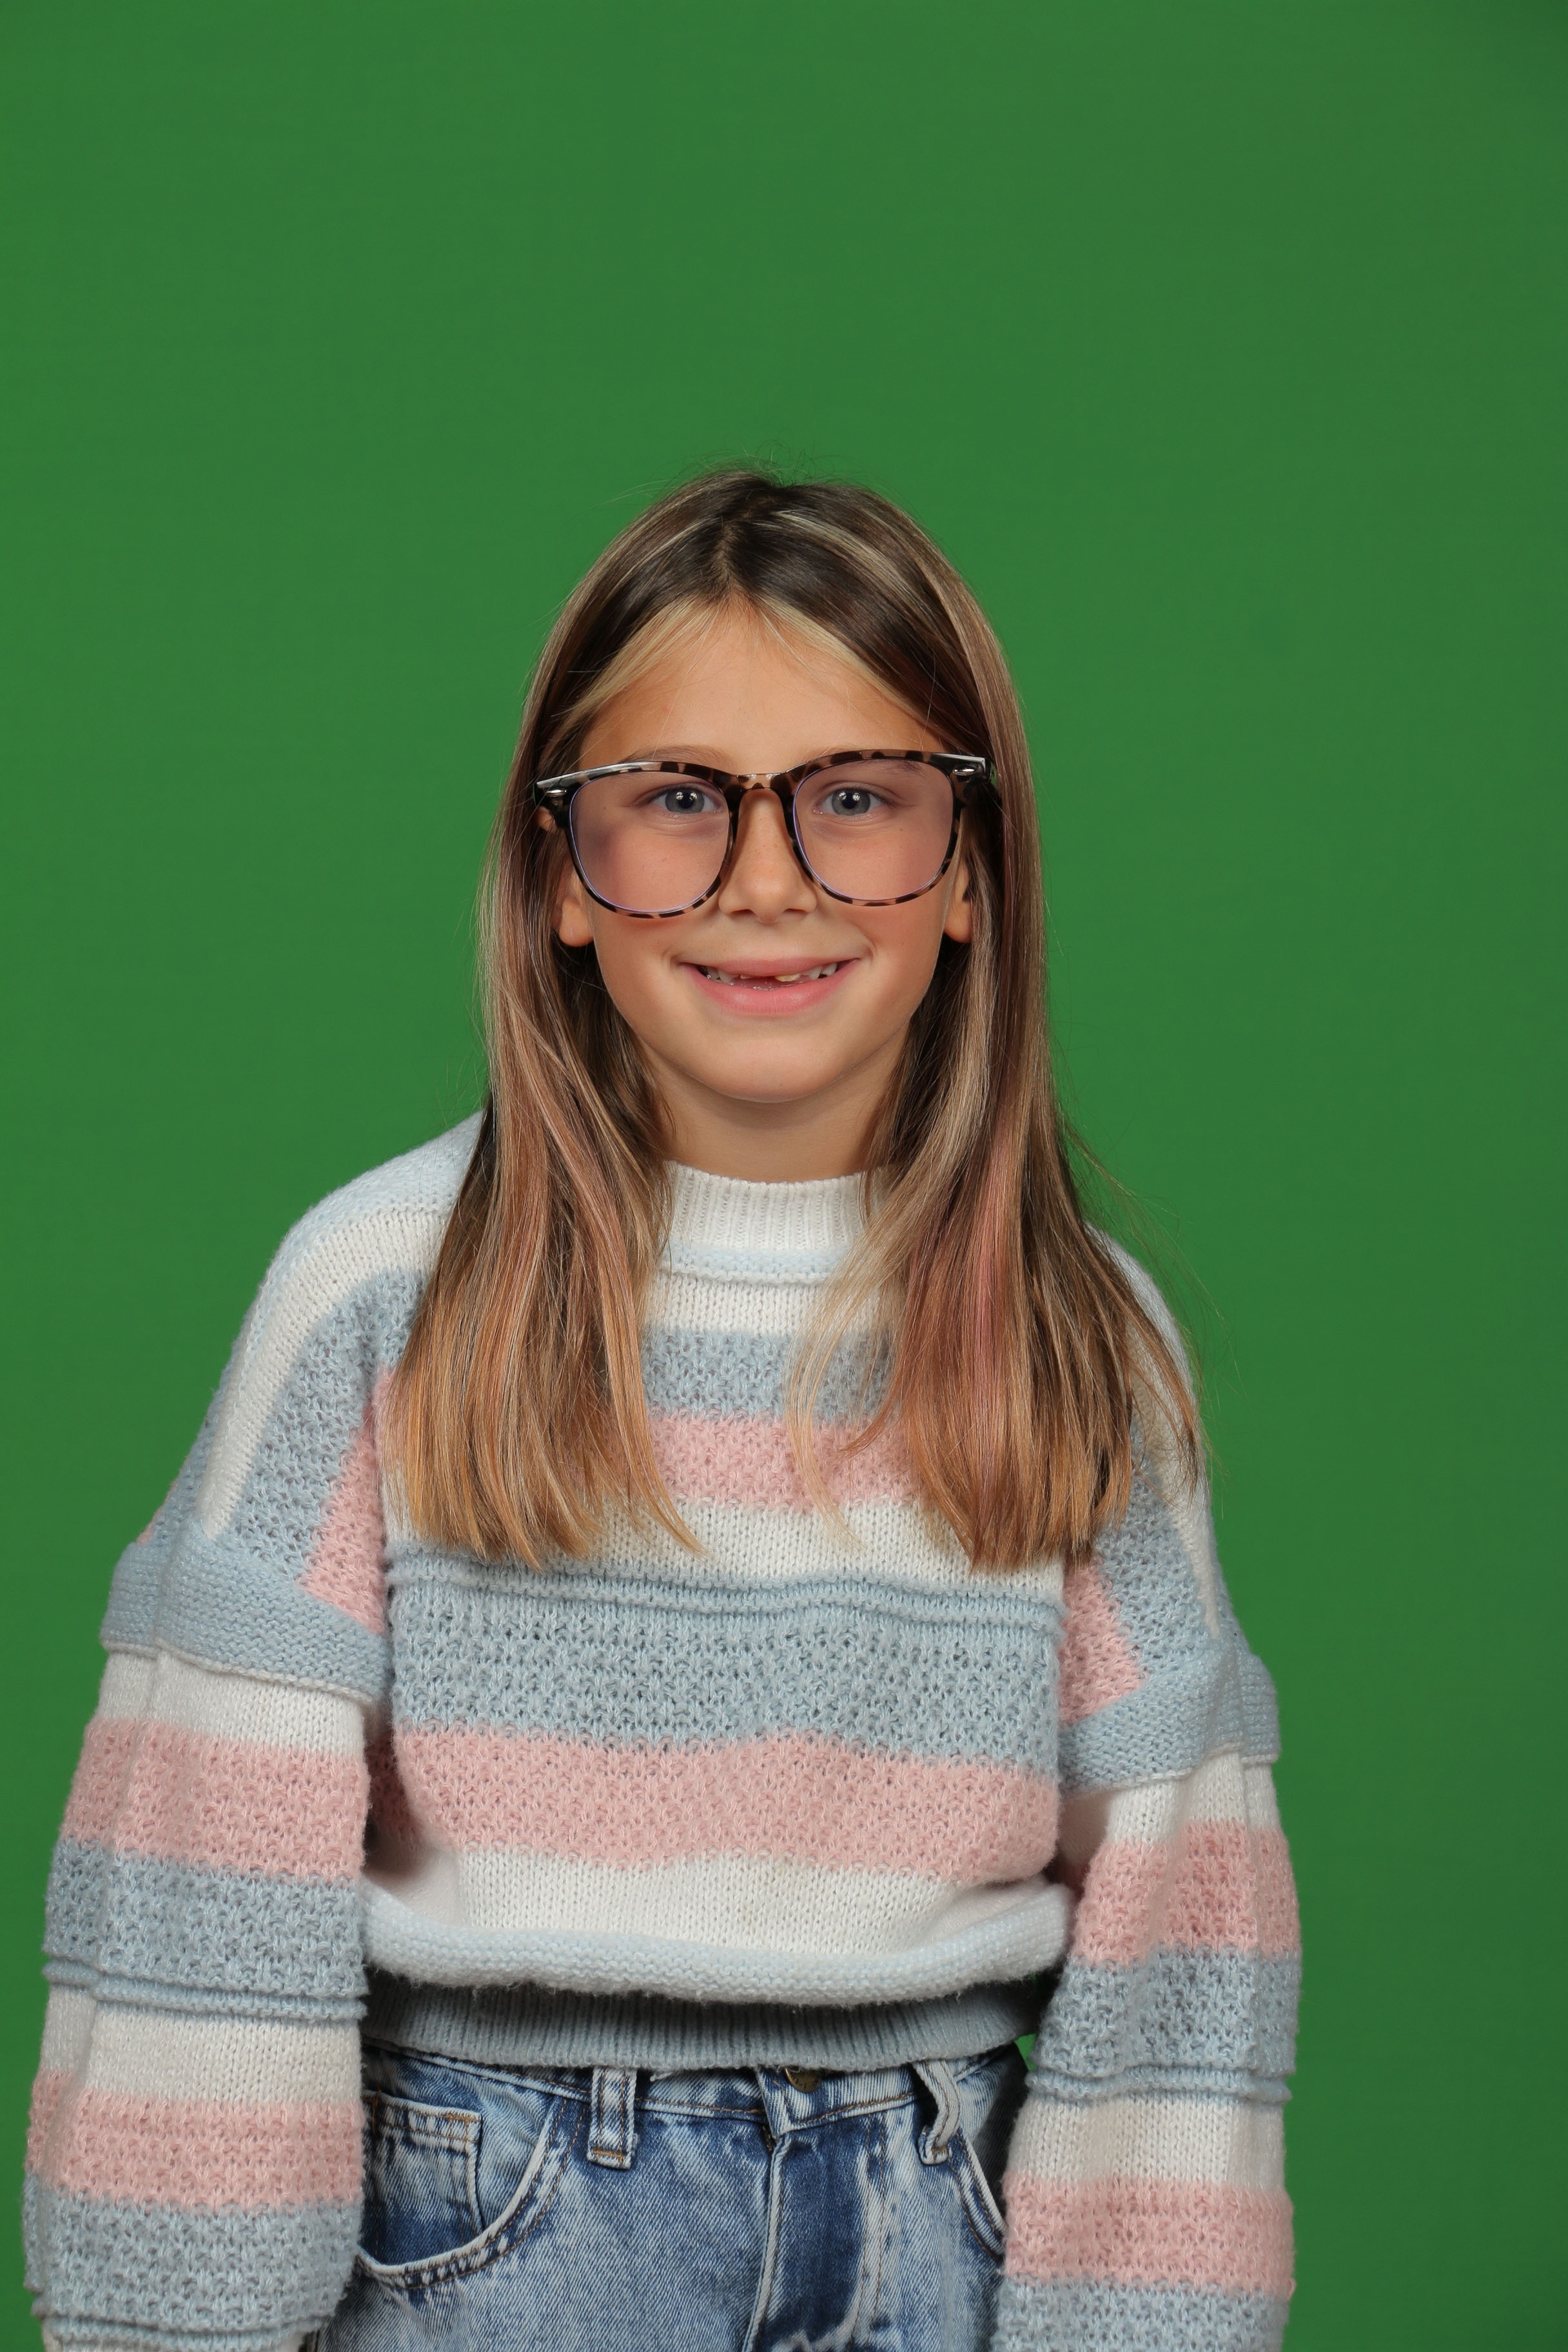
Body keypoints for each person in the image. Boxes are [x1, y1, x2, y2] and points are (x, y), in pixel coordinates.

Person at [23, 471, 1298, 2352]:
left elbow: (1187, 1906)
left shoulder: (1077, 1339)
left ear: (970, 870)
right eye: (680, 800)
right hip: (496, 2230)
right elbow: (210, 1847)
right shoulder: (385, 1290)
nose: (767, 880)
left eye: (856, 797)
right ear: (561, 870)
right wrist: (170, 2320)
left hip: (938, 2218)